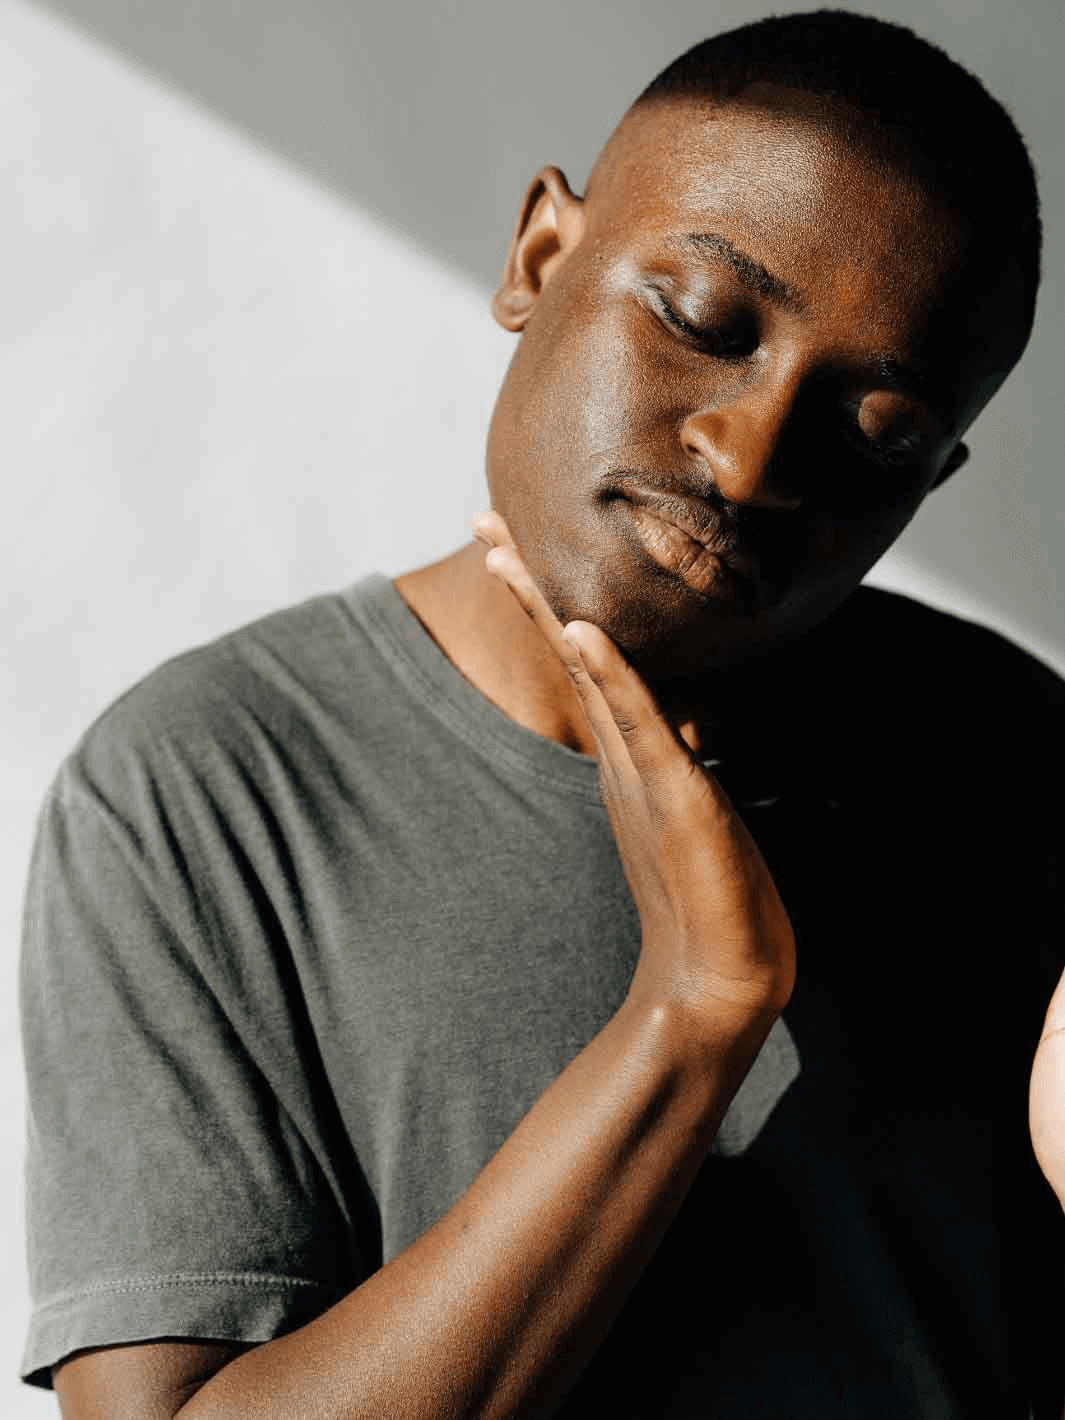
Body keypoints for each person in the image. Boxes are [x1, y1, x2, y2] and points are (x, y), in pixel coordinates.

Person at [19, 9, 1065, 1417]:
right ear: (538, 257)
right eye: (703, 321)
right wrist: (689, 1015)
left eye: (878, 433)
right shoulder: (209, 787)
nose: (749, 458)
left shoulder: (1011, 758)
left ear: (932, 481)